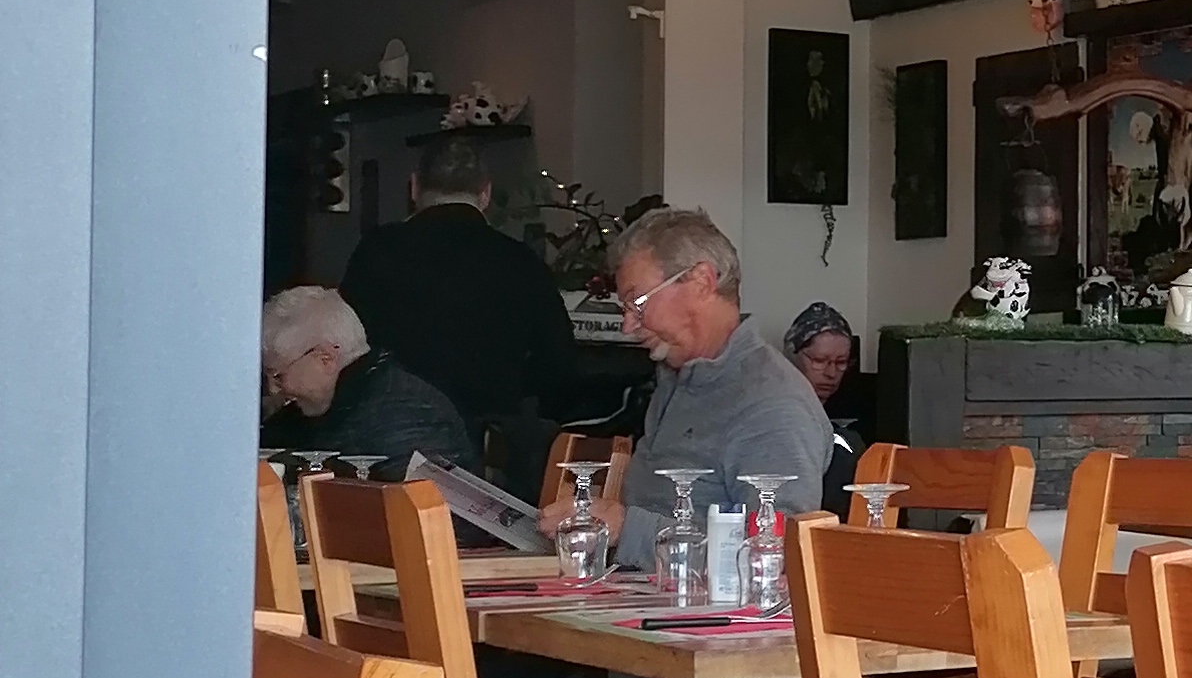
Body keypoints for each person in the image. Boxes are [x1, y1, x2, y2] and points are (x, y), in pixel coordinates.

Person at [342, 133, 583, 487]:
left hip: (385, 447)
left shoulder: (376, 253)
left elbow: (345, 351)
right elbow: (558, 366)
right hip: (487, 458)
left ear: (414, 187)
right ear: (485, 193)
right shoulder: (519, 262)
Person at [611, 209, 832, 563]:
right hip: (640, 588)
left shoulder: (771, 405)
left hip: (697, 599)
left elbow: (771, 560)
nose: (628, 326)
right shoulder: (678, 378)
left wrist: (626, 530)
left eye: (638, 303)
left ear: (702, 282)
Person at [260, 285, 468, 485]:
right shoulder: (315, 411)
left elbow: (411, 505)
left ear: (325, 359)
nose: (273, 389)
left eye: (278, 376)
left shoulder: (408, 418)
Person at [782, 300, 869, 505]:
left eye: (841, 362)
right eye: (819, 361)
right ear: (791, 356)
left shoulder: (850, 434)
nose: (831, 373)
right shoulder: (776, 419)